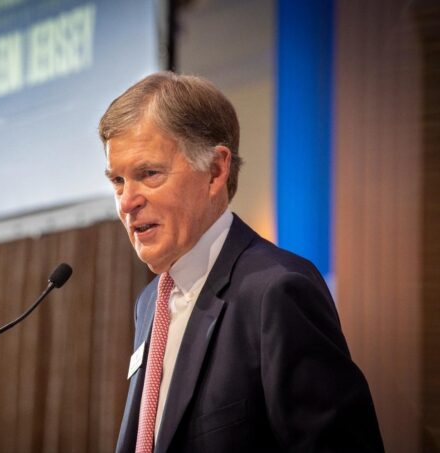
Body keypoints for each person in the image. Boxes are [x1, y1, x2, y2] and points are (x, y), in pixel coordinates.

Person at [99, 72, 384, 452]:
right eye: (118, 181)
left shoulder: (277, 291)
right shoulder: (150, 301)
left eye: (148, 174)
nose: (126, 202)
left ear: (215, 171)